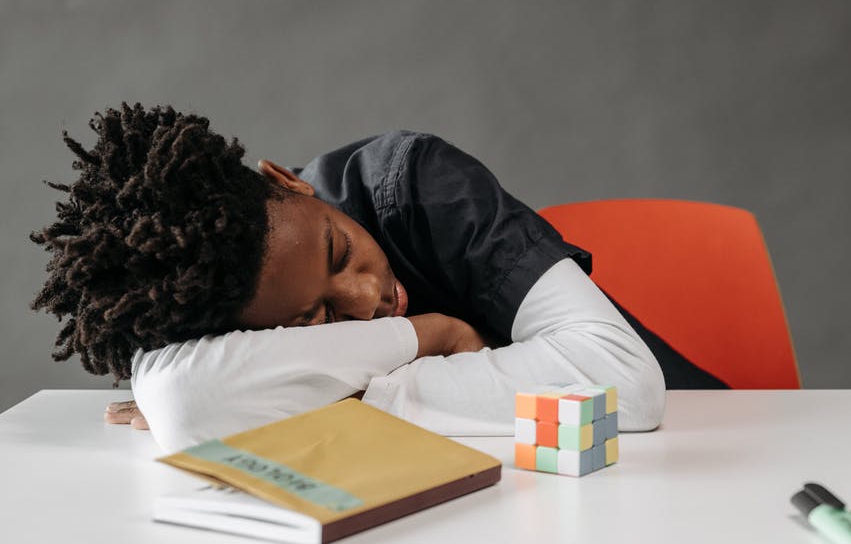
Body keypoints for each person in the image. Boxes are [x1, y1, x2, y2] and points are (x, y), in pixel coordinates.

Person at [32, 104, 724, 451]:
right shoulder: (222, 291)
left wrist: (337, 395)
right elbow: (184, 397)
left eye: (338, 252)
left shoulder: (417, 183)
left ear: (288, 183)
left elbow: (625, 386)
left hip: (716, 452)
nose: (367, 300)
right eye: (312, 321)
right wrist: (432, 335)